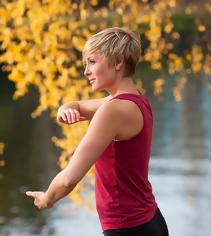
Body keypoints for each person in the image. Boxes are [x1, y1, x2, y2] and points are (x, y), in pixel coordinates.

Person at [26, 27, 169, 236]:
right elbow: (78, 106)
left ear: (118, 62)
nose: (86, 72)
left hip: (128, 228)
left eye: (92, 62)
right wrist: (66, 109)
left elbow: (69, 179)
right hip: (149, 220)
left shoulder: (113, 110)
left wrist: (47, 198)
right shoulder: (136, 99)